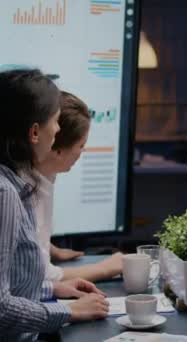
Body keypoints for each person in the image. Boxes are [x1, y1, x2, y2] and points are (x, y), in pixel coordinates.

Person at [0, 69, 109, 342]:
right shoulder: (5, 193)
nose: (59, 130)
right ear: (35, 132)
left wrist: (50, 290)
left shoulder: (13, 185)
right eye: (56, 121)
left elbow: (14, 285)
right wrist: (69, 311)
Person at [27, 91, 123, 282]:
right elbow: (44, 277)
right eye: (81, 145)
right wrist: (106, 268)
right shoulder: (23, 191)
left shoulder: (44, 172)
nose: (83, 151)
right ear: (58, 151)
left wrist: (48, 248)